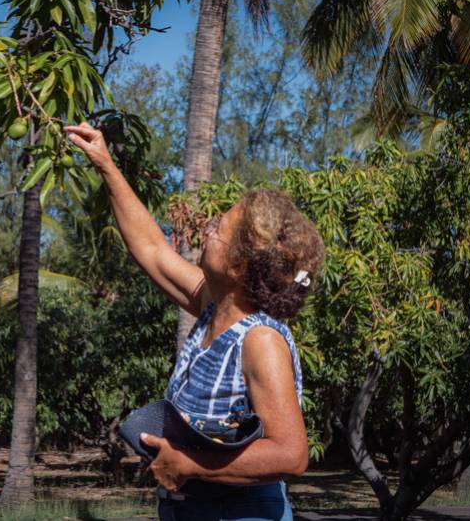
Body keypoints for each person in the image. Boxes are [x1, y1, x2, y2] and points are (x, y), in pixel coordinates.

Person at [64, 121, 326, 521]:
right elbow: (151, 248)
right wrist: (105, 163)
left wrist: (190, 464)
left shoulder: (260, 340)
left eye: (217, 229)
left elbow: (291, 455)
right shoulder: (213, 303)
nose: (206, 228)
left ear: (239, 267)